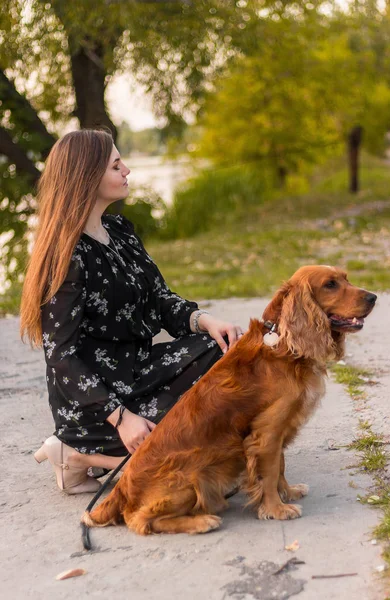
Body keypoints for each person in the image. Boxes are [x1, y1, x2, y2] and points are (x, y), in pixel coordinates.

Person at [20, 129, 243, 495]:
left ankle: (130, 456)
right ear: (87, 175)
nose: (127, 170)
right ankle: (81, 452)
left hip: (138, 370)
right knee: (187, 438)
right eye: (116, 164)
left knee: (227, 349)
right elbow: (61, 356)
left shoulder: (120, 231)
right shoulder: (67, 256)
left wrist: (204, 321)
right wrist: (121, 418)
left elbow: (159, 300)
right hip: (96, 402)